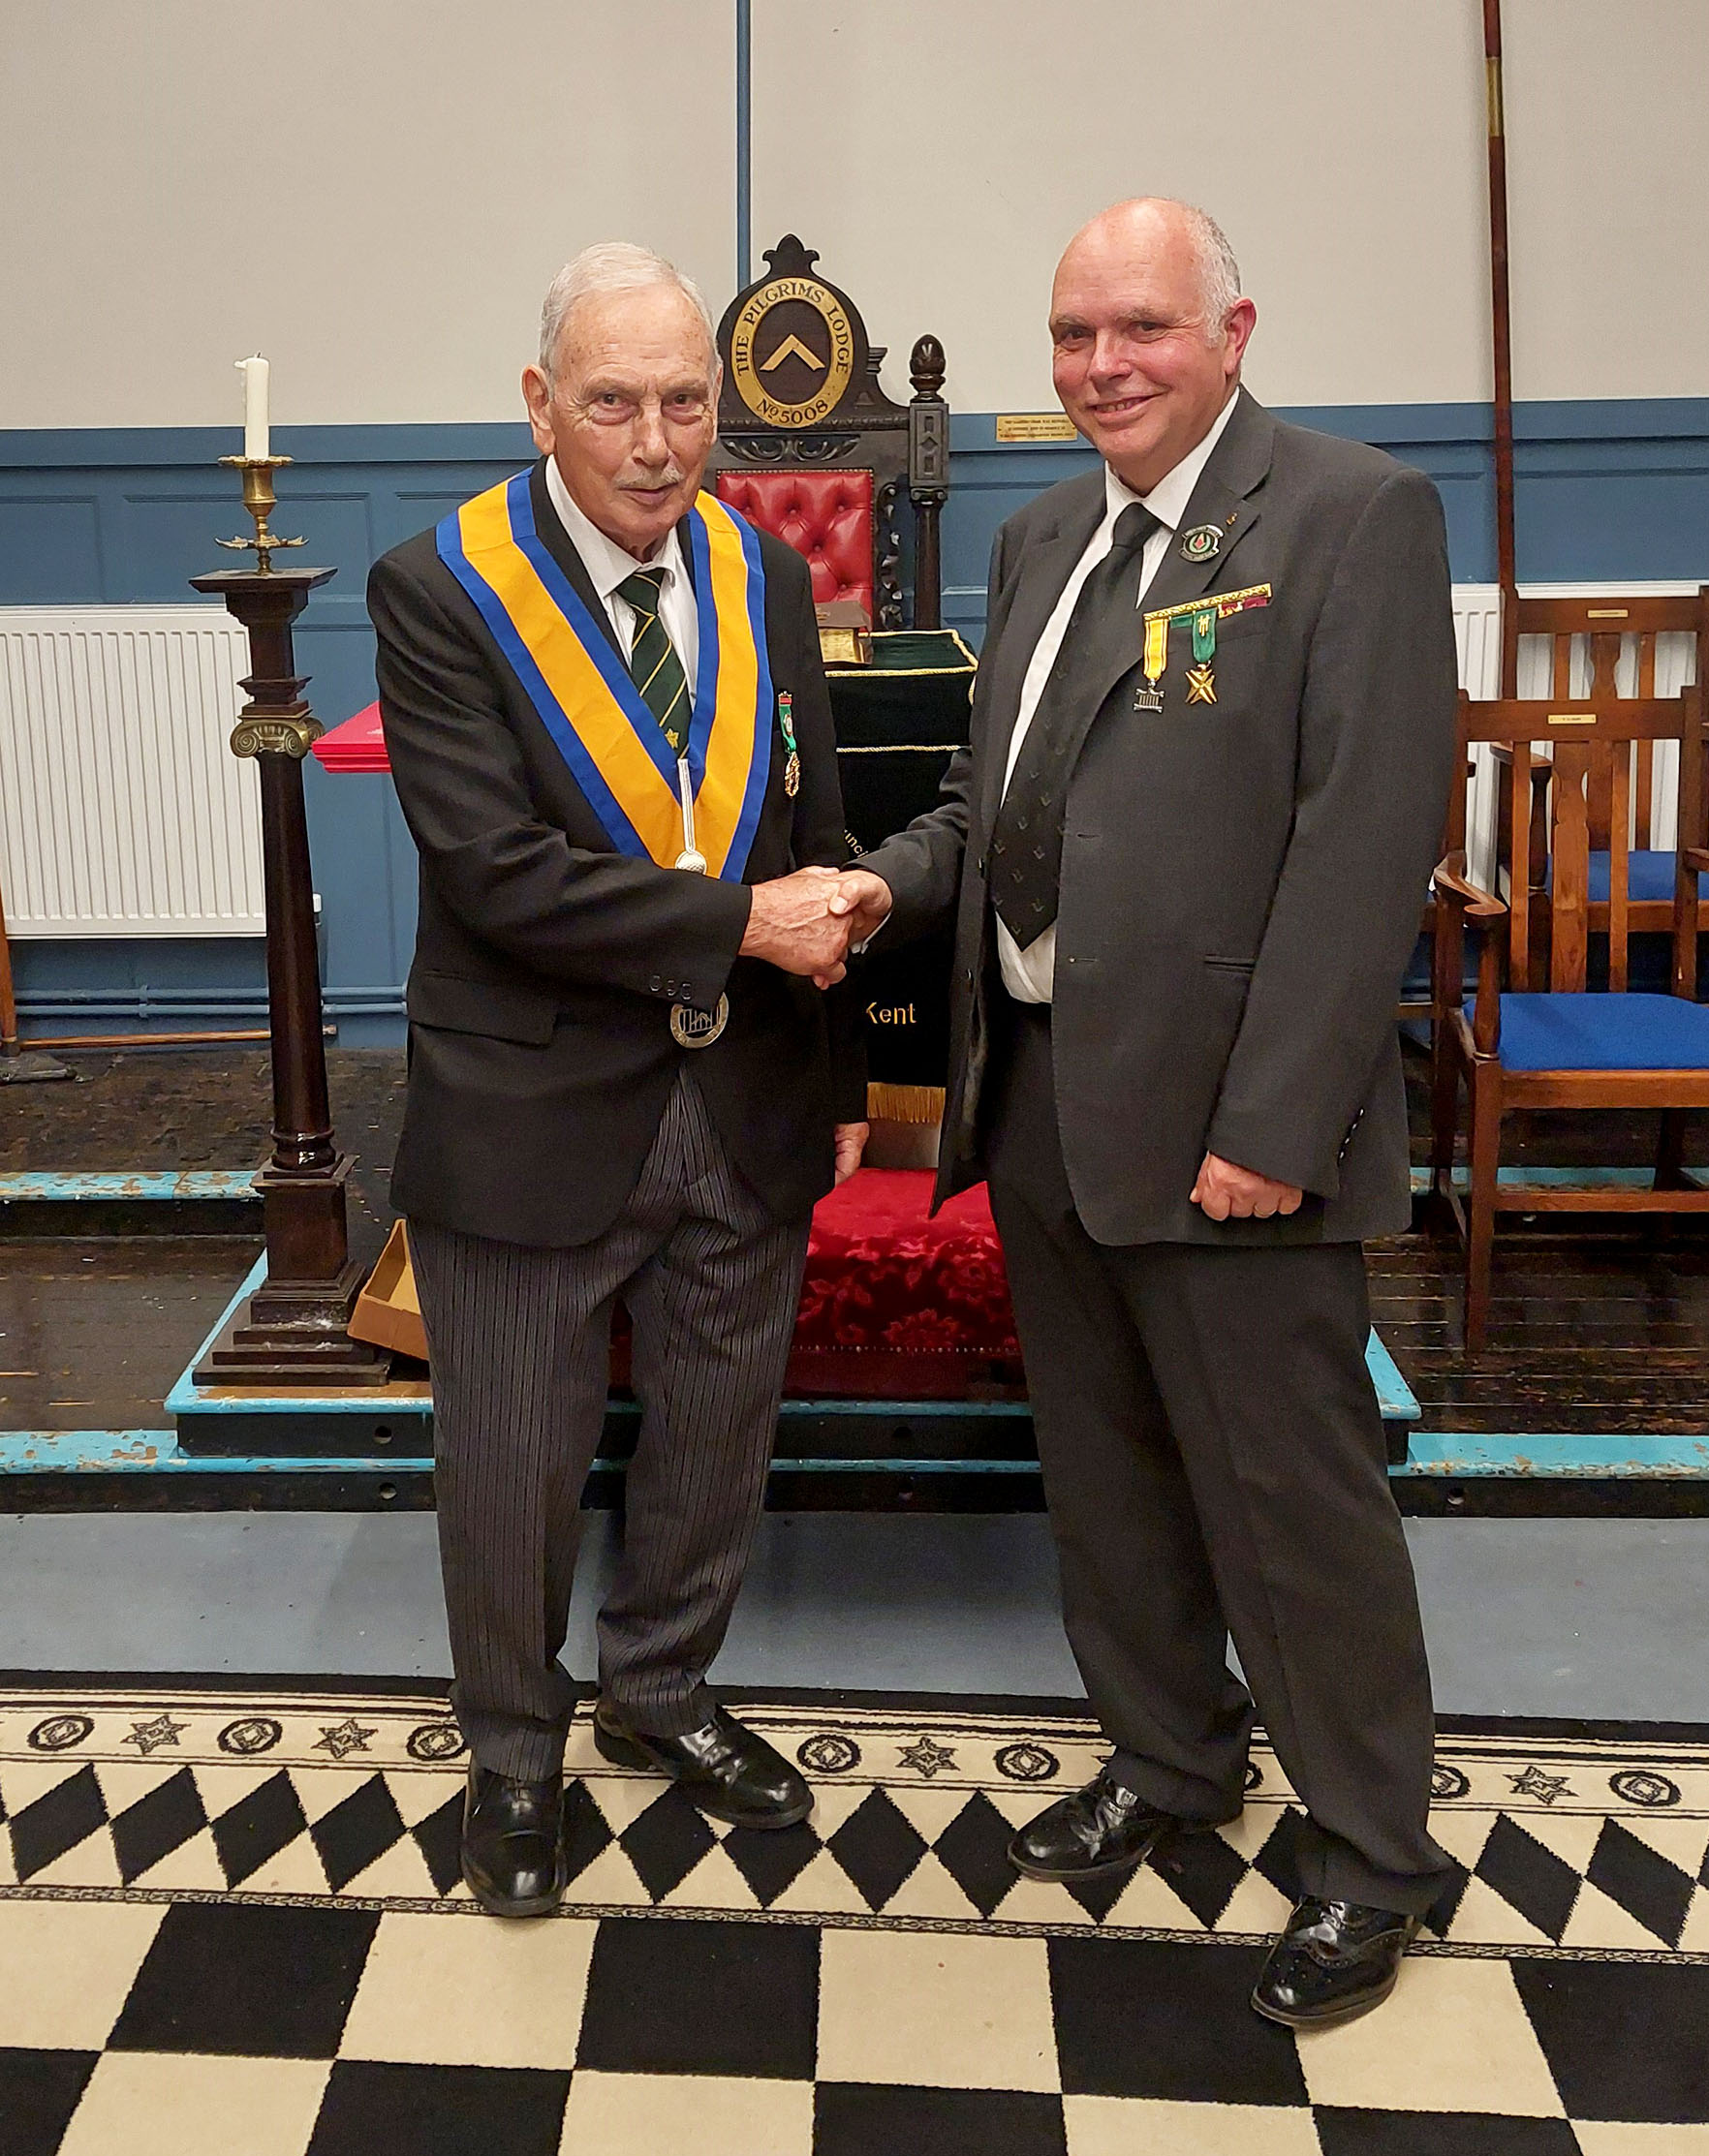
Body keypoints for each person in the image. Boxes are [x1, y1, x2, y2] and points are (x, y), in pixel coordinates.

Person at [829, 198, 1458, 2025]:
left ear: (1235, 328)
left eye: (1142, 330)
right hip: (1038, 1104)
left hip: (1233, 1138)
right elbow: (984, 793)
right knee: (1105, 1486)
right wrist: (888, 888)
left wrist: (1273, 1121)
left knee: (1290, 1507)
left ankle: (1374, 1853)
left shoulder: (1350, 518)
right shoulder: (1043, 536)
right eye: (1074, 335)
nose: (1103, 365)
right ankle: (1173, 1763)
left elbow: (1363, 854)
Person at [368, 242, 865, 1917]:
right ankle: (512, 1757)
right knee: (511, 1460)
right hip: (536, 1108)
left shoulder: (764, 574)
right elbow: (496, 873)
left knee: (718, 1438)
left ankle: (660, 1689)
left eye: (684, 402)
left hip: (748, 1102)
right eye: (611, 403)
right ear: (539, 405)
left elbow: (814, 826)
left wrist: (845, 1060)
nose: (655, 442)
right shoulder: (440, 590)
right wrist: (744, 924)